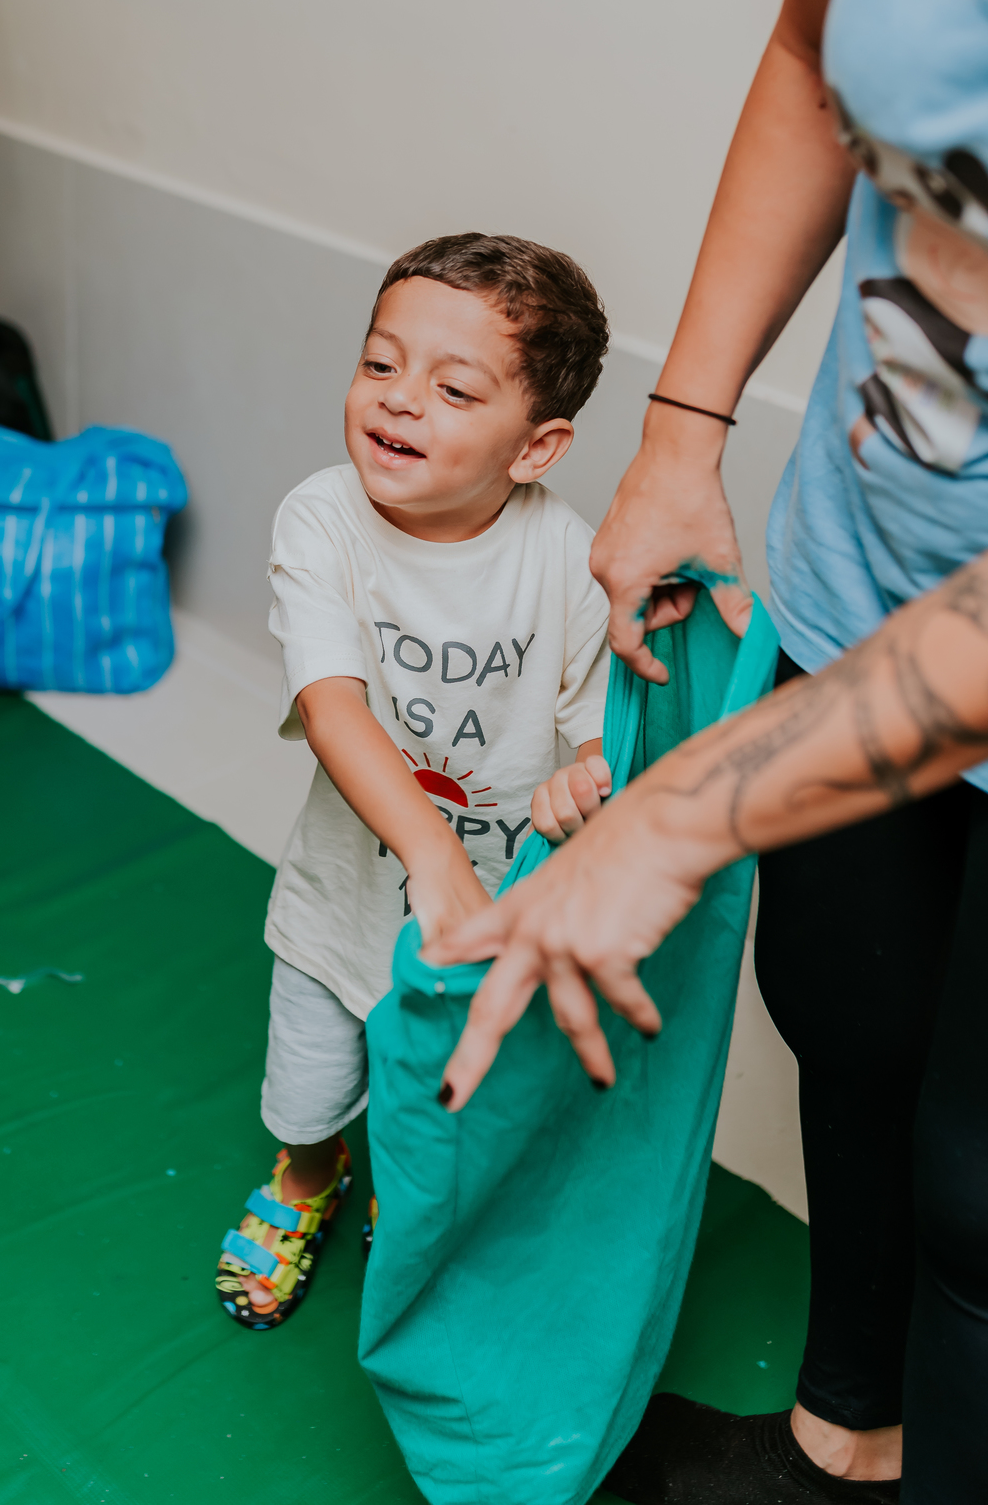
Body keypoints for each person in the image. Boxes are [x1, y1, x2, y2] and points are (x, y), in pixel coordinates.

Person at [427, 0, 988, 1502]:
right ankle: (842, 1442)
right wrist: (683, 435)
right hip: (870, 557)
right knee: (846, 1010)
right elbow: (813, 58)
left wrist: (679, 816)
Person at [214, 233, 614, 1328]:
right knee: (307, 1095)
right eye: (380, 364)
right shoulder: (323, 518)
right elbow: (334, 703)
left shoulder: (571, 563)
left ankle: (400, 1189)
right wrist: (430, 856)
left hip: (479, 924)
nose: (398, 403)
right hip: (345, 903)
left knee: (434, 1103)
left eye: (452, 387)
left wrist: (584, 784)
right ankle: (309, 1180)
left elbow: (597, 738)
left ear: (535, 449)